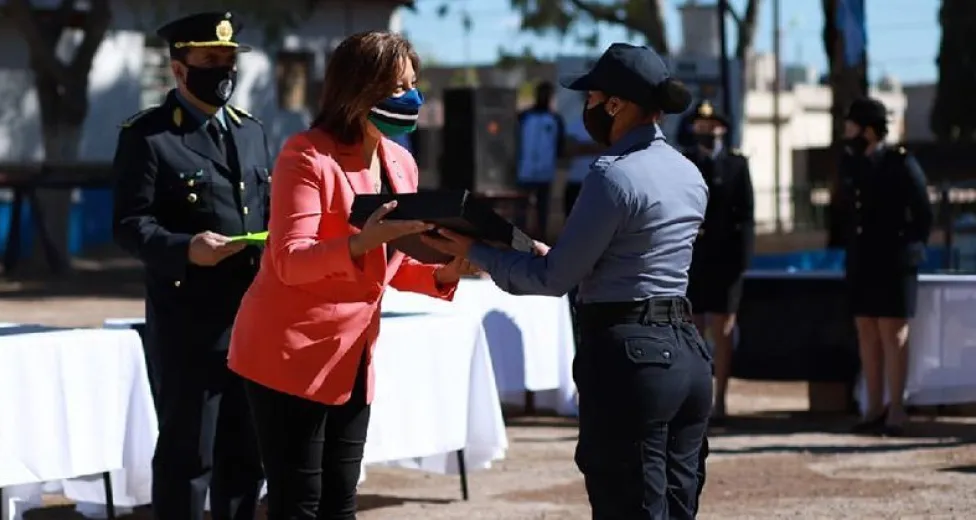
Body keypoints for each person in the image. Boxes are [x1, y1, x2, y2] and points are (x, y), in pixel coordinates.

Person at [424, 42, 712, 519]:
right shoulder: (689, 174)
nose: (587, 107)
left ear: (616, 104)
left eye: (592, 98)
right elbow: (636, 255)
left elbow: (554, 279)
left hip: (631, 358)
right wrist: (548, 255)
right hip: (688, 356)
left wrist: (475, 251)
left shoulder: (612, 175)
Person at [226, 31, 476, 520]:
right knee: (298, 503)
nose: (412, 96)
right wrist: (360, 242)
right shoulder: (306, 155)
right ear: (360, 90)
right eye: (399, 86)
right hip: (289, 353)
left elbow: (391, 265)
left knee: (341, 499)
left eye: (414, 84)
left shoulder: (400, 161)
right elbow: (290, 259)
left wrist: (446, 271)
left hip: (353, 357)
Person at [112, 12, 268, 520]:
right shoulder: (149, 136)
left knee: (245, 455)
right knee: (189, 456)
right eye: (209, 59)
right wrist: (184, 248)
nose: (223, 70)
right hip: (189, 323)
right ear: (179, 70)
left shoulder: (250, 131)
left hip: (251, 318)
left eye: (228, 60)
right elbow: (129, 224)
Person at [839, 97, 933, 436]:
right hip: (863, 261)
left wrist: (907, 250)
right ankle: (873, 408)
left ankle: (896, 408)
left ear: (867, 129)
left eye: (852, 125)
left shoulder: (900, 162)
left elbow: (923, 213)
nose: (847, 131)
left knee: (892, 334)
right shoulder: (853, 164)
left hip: (894, 262)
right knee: (867, 331)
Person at [682, 100, 755, 421]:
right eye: (700, 127)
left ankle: (721, 398)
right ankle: (696, 398)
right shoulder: (686, 162)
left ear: (722, 129)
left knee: (723, 329)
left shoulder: (736, 164)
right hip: (694, 258)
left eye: (711, 127)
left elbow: (747, 215)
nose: (706, 132)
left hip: (726, 260)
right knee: (693, 328)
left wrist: (743, 260)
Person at [516, 80, 567, 238]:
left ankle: (540, 238)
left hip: (545, 172)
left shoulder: (555, 119)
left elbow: (560, 146)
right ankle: (518, 238)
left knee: (542, 209)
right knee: (521, 208)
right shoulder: (524, 117)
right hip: (525, 170)